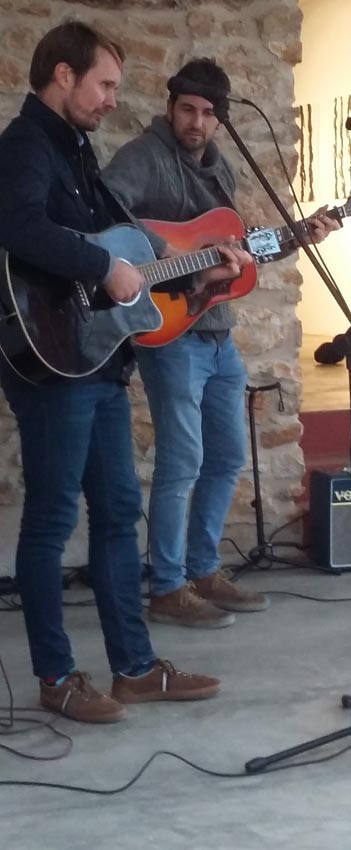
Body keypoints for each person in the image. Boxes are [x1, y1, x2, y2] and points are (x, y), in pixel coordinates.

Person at [0, 24, 251, 722]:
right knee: (52, 520)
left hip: (98, 357)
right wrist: (102, 266)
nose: (114, 99)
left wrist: (196, 277)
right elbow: (17, 227)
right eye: (105, 84)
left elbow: (128, 259)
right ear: (62, 75)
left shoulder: (77, 149)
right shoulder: (25, 146)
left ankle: (135, 669)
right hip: (52, 359)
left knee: (117, 512)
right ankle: (57, 677)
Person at [103, 58, 339, 629]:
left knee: (229, 454)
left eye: (209, 114)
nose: (197, 122)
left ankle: (204, 569)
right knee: (182, 461)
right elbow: (104, 212)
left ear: (220, 119)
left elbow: (235, 254)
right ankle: (167, 586)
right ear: (170, 108)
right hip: (170, 332)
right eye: (188, 109)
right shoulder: (143, 156)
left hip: (216, 332)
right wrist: (174, 256)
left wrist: (297, 237)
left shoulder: (220, 169)